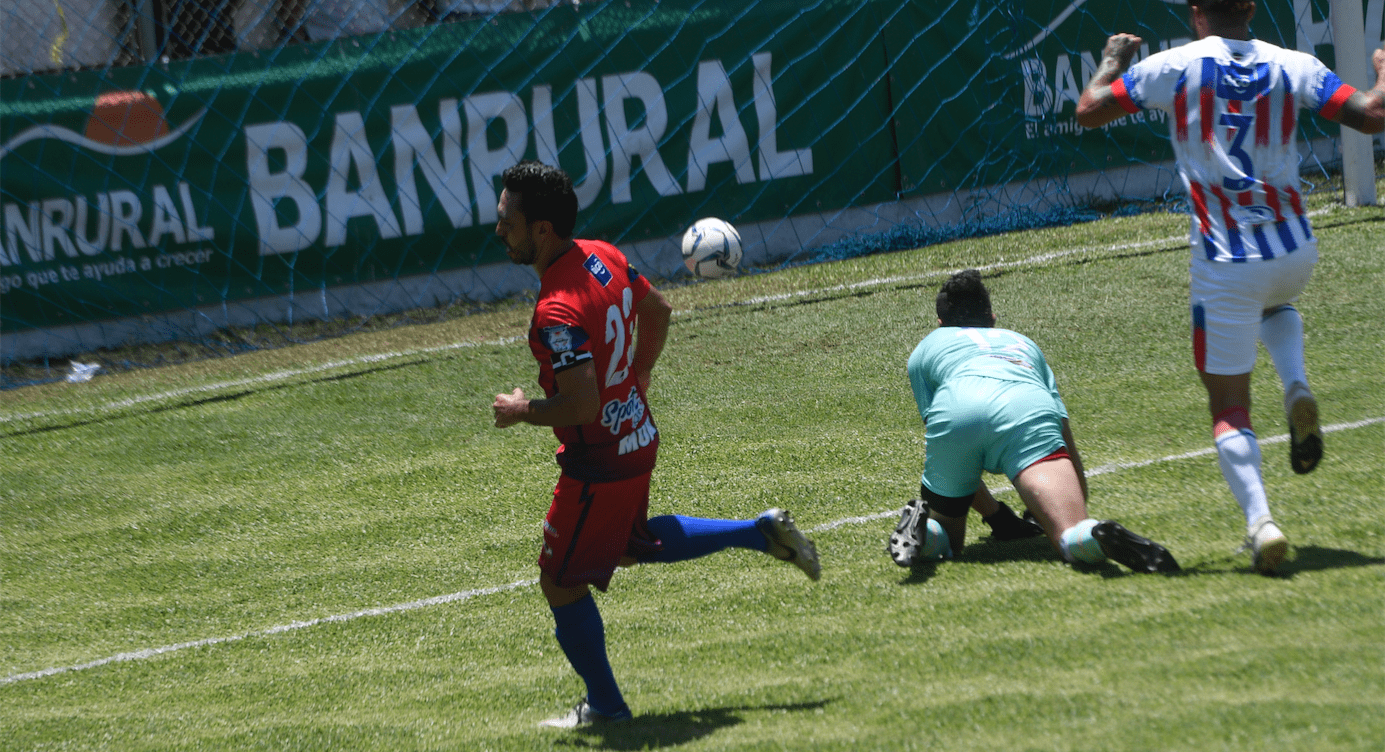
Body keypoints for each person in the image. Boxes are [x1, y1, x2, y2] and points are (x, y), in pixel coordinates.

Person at [490, 160, 821, 729]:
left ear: (541, 228)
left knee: (560, 581)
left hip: (599, 460)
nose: (499, 230)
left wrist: (523, 412)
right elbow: (658, 309)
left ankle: (607, 706)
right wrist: (639, 375)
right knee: (633, 541)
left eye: (507, 220)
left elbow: (582, 405)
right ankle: (757, 531)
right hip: (637, 434)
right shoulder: (604, 254)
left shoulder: (557, 310)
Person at [1075, 0, 1385, 573]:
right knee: (1276, 302)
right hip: (1295, 248)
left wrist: (1111, 60)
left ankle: (1261, 522)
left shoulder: (1174, 65)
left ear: (1196, 11)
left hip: (1227, 258)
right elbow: (1370, 115)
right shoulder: (1293, 63)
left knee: (1228, 406)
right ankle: (1295, 386)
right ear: (1251, 7)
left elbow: (1089, 110)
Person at [888, 270, 1180, 574]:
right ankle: (1094, 535)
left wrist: (997, 516)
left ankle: (925, 531)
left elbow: (951, 441)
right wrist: (1074, 504)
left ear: (940, 323)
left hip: (957, 410)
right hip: (1025, 406)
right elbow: (1063, 434)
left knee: (948, 538)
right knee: (1070, 535)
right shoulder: (1022, 343)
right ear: (992, 317)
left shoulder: (924, 350)